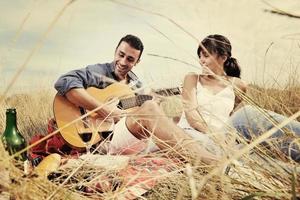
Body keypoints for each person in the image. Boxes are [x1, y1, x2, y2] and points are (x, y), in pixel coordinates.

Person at [54, 34, 218, 164]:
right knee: (150, 109)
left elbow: (137, 111)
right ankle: (214, 164)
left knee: (161, 113)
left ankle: (207, 159)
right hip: (93, 138)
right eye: (121, 55)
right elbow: (64, 82)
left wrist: (152, 102)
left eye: (130, 59)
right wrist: (106, 111)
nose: (123, 62)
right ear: (115, 51)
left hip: (120, 134)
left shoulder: (136, 84)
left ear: (137, 62)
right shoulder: (99, 71)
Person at [179, 34, 300, 162]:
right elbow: (191, 116)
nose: (201, 60)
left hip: (222, 139)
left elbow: (230, 117)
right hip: (193, 134)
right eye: (200, 56)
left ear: (223, 57)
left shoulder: (238, 85)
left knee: (256, 149)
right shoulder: (192, 78)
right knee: (245, 126)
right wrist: (216, 135)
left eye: (206, 55)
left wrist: (228, 138)